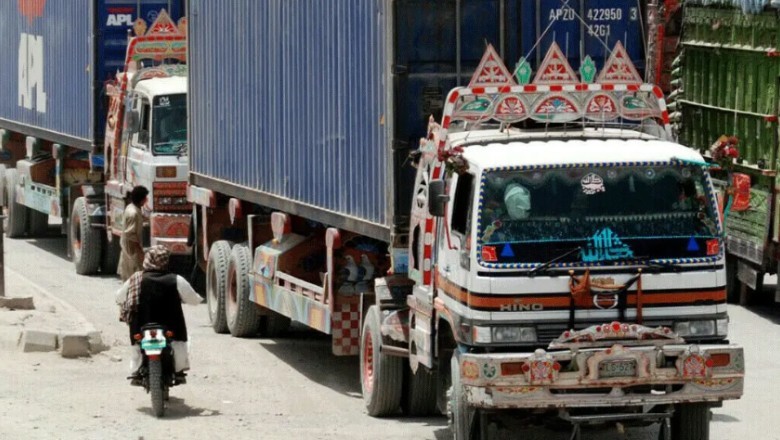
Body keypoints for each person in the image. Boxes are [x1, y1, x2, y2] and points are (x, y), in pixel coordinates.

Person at [116, 246, 202, 385]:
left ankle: (136, 370)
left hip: (140, 326)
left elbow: (119, 297)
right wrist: (198, 299)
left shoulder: (136, 279)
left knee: (137, 348)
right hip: (171, 327)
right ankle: (179, 371)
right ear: (166, 261)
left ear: (147, 259)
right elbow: (193, 299)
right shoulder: (176, 280)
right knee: (179, 345)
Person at [118, 186, 148, 281]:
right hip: (132, 252)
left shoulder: (131, 208)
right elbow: (131, 236)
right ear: (142, 199)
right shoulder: (133, 213)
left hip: (129, 252)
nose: (147, 199)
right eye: (145, 197)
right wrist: (140, 252)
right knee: (133, 280)